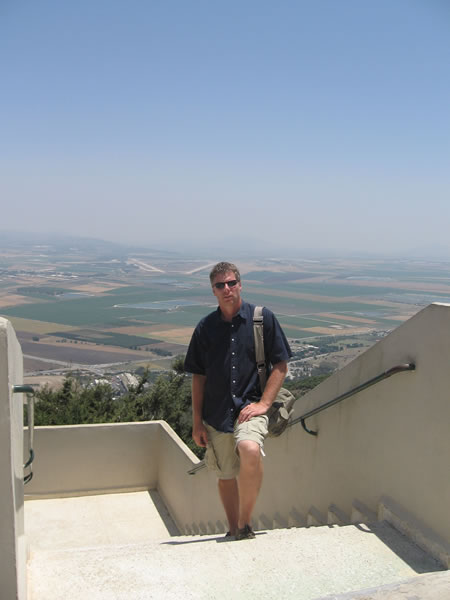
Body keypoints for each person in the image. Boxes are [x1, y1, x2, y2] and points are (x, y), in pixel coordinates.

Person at [184, 261, 292, 540]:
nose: (227, 289)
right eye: (220, 285)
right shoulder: (205, 328)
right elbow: (198, 376)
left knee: (250, 449)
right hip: (217, 412)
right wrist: (197, 422)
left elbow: (281, 365)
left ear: (240, 284)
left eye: (231, 282)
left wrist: (265, 404)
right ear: (213, 291)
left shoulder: (261, 318)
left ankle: (245, 521)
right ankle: (234, 530)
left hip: (251, 406)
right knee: (226, 474)